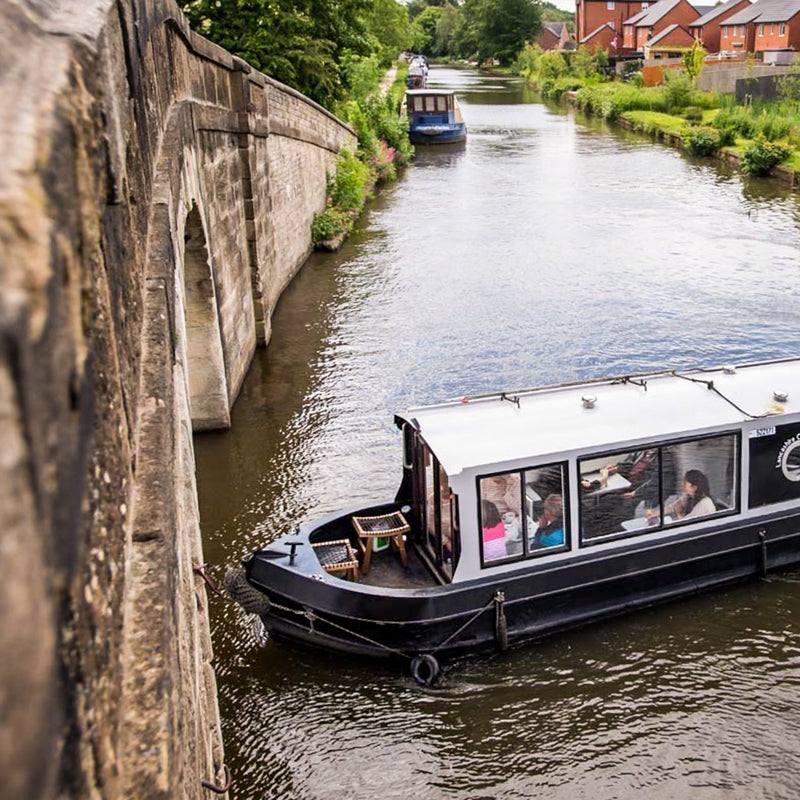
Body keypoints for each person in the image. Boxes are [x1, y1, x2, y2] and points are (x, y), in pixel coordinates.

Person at [647, 469, 715, 523]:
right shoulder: (689, 496)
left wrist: (678, 514)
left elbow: (686, 523)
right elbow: (672, 507)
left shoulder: (704, 503)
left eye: (685, 483)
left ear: (694, 487)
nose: (682, 484)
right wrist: (655, 513)